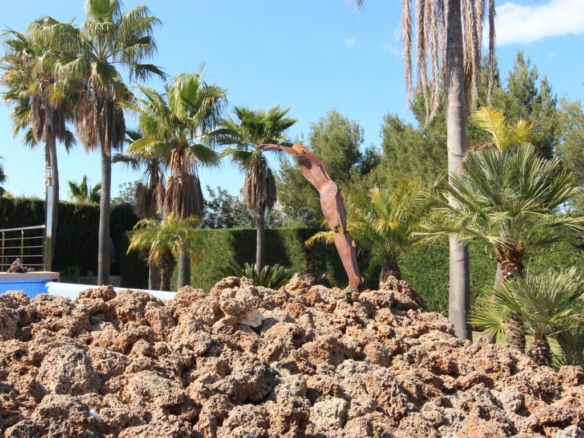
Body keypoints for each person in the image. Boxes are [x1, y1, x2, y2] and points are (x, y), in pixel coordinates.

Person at [259, 143, 363, 290]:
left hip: (327, 192)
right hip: (329, 190)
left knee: (337, 230)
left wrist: (277, 146)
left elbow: (294, 152)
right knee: (341, 231)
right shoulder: (316, 160)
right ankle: (354, 275)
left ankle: (353, 277)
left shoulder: (306, 157)